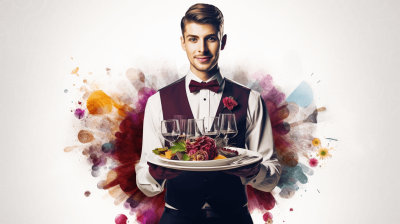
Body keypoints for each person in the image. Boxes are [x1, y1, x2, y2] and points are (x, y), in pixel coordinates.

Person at [135, 3, 281, 224]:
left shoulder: (251, 100)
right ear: (183, 42)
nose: (201, 48)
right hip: (177, 218)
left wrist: (253, 171)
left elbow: (271, 175)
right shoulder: (158, 102)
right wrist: (155, 174)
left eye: (210, 38)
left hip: (234, 218)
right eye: (193, 39)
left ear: (222, 42)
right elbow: (144, 179)